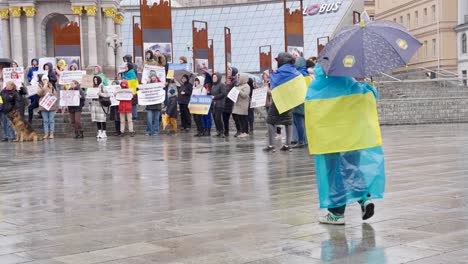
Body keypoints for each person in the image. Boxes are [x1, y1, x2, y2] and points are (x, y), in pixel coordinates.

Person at [306, 64, 385, 225]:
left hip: (330, 140)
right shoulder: (353, 85)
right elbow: (372, 96)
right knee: (352, 169)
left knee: (334, 173)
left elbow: (310, 107)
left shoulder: (318, 86)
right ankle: (364, 199)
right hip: (353, 138)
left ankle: (336, 213)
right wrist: (364, 83)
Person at [264, 53, 295, 152]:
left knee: (270, 120)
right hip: (290, 99)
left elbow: (275, 88)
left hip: (279, 100)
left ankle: (271, 145)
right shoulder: (293, 71)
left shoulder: (279, 73)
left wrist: (267, 91)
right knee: (288, 121)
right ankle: (288, 144)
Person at [291, 57, 311, 149]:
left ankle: (301, 141)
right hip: (306, 100)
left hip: (298, 101)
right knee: (305, 122)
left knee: (298, 122)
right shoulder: (307, 73)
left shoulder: (297, 74)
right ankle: (306, 140)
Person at [37, 75, 58, 139]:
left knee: (51, 120)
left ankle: (51, 133)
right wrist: (44, 87)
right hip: (43, 105)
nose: (45, 81)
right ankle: (46, 133)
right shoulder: (40, 86)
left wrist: (52, 95)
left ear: (48, 80)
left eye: (46, 79)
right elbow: (39, 94)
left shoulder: (51, 86)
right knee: (45, 120)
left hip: (50, 105)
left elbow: (55, 95)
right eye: (43, 80)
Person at [232, 73, 251, 138]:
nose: (238, 79)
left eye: (239, 78)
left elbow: (245, 95)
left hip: (243, 105)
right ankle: (242, 131)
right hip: (238, 105)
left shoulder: (246, 86)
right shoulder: (240, 85)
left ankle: (246, 132)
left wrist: (239, 90)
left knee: (244, 119)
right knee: (240, 119)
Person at [211, 72, 227, 137]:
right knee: (214, 118)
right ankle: (218, 131)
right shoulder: (213, 85)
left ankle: (222, 131)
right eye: (213, 77)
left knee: (218, 118)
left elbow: (224, 94)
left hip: (220, 104)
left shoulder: (221, 85)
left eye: (215, 77)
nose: (213, 78)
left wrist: (215, 97)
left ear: (218, 78)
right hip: (214, 104)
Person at [223, 67, 238, 137]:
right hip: (226, 103)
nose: (228, 72)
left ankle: (239, 130)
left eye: (229, 71)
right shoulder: (228, 80)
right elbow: (225, 91)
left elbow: (234, 91)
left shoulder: (235, 81)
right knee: (225, 118)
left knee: (235, 118)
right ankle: (226, 132)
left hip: (232, 103)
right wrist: (226, 85)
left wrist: (228, 85)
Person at [27, 58, 40, 123]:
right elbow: (28, 76)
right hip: (33, 85)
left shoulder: (40, 68)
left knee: (38, 101)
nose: (34, 62)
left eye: (35, 61)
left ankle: (39, 112)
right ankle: (31, 118)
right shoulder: (31, 69)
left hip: (38, 86)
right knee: (32, 100)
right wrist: (30, 79)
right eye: (33, 61)